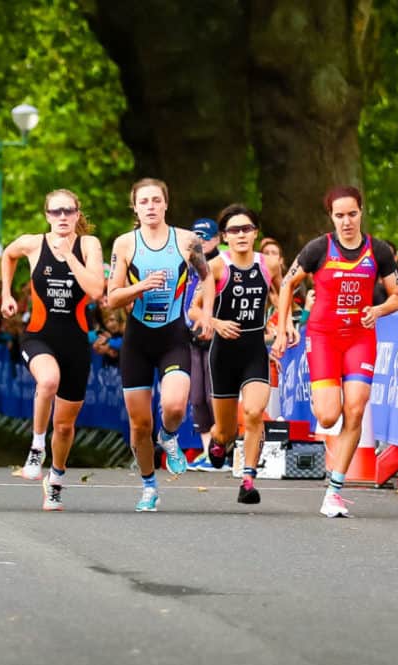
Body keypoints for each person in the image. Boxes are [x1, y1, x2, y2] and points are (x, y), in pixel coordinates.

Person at [273, 186, 398, 518]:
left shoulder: (379, 250)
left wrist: (379, 310)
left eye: (352, 214)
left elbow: (397, 298)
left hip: (360, 337)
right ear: (331, 217)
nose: (346, 222)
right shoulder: (319, 248)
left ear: (361, 212)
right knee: (329, 415)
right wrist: (286, 324)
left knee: (356, 409)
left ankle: (335, 490)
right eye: (339, 215)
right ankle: (335, 450)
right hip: (324, 337)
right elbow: (288, 283)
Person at [105, 177, 214, 512]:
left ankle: (169, 435)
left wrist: (205, 315)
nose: (150, 207)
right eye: (144, 202)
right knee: (139, 424)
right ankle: (149, 485)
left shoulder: (187, 241)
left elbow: (207, 277)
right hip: (137, 340)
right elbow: (112, 298)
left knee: (176, 405)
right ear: (135, 208)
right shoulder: (125, 244)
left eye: (156, 200)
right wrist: (142, 287)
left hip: (173, 337)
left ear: (166, 204)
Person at [0, 189, 105, 511]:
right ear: (46, 215)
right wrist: (7, 294)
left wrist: (69, 255)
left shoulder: (89, 245)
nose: (62, 217)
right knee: (47, 381)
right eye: (56, 212)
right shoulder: (33, 243)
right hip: (39, 336)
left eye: (68, 211)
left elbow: (97, 289)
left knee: (65, 425)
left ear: (76, 214)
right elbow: (8, 255)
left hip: (75, 342)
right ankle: (36, 447)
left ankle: (56, 478)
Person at [205, 205, 280, 504]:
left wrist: (285, 323)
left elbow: (281, 293)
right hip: (223, 354)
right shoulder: (216, 267)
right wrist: (215, 322)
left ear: (255, 233)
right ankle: (218, 440)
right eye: (234, 230)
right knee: (225, 430)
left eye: (246, 229)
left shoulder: (269, 264)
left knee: (252, 413)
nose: (240, 235)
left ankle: (248, 479)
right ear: (224, 236)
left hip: (254, 350)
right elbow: (194, 307)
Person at [185, 217, 221, 471]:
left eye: (207, 237)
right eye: (197, 236)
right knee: (196, 395)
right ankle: (209, 450)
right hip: (189, 335)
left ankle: (222, 449)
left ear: (218, 239)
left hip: (218, 335)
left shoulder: (223, 264)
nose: (202, 241)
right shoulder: (184, 265)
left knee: (214, 395)